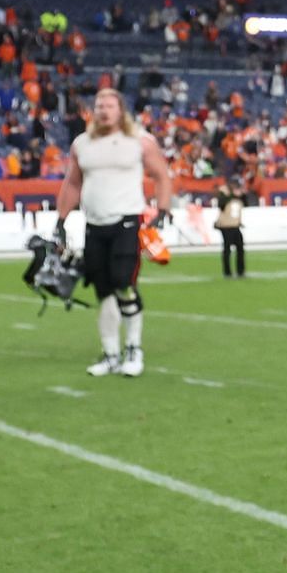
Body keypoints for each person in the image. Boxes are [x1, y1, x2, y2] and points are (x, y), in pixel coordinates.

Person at [56, 88, 173, 378]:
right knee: (103, 290)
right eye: (99, 105)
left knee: (123, 282)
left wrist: (163, 208)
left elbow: (161, 174)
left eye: (109, 105)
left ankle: (134, 348)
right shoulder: (82, 143)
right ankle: (110, 353)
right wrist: (61, 218)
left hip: (126, 221)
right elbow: (73, 183)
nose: (103, 110)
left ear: (121, 110)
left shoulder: (140, 141)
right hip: (93, 223)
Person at [213, 173, 246, 279]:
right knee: (227, 249)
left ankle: (240, 271)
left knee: (240, 248)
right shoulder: (224, 192)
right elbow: (221, 204)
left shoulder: (239, 194)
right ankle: (227, 272)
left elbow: (246, 202)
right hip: (225, 225)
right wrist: (233, 194)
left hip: (235, 225)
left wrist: (242, 194)